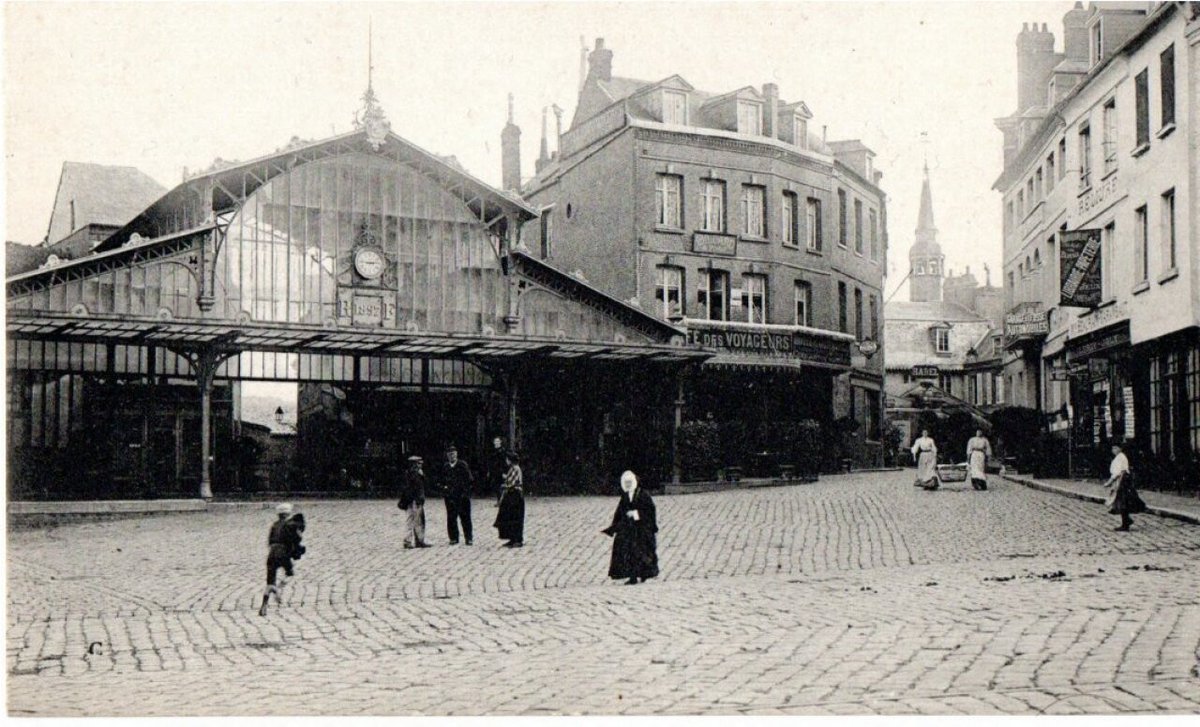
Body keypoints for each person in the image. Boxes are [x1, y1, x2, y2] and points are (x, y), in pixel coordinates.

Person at [601, 471, 659, 585]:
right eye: (626, 483)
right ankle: (632, 576)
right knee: (628, 552)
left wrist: (637, 514)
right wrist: (614, 527)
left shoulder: (643, 495)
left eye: (629, 482)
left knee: (642, 552)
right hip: (629, 529)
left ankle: (644, 574)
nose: (628, 485)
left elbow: (650, 511)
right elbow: (619, 512)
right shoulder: (625, 496)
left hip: (642, 529)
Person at [259, 503, 306, 616]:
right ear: (288, 513)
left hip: (272, 553)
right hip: (283, 553)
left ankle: (264, 605)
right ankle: (279, 589)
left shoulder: (274, 525)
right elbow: (296, 539)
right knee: (290, 574)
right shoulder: (290, 525)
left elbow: (270, 541)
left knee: (270, 583)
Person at [438, 443, 475, 545]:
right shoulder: (446, 467)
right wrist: (444, 489)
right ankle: (453, 538)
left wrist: (466, 493)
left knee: (465, 518)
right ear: (447, 455)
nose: (452, 456)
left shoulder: (462, 465)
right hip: (450, 497)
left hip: (462, 496)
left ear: (457, 454)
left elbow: (470, 480)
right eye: (450, 454)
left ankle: (468, 538)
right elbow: (441, 480)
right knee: (451, 518)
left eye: (453, 454)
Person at [1105, 442, 1145, 531]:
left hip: (1123, 481)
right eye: (1112, 448)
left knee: (1123, 502)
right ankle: (1126, 520)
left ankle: (1125, 523)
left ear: (1120, 448)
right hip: (1121, 481)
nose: (1113, 450)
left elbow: (1117, 472)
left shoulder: (1121, 457)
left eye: (1115, 448)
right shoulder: (1118, 457)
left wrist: (1109, 482)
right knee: (1122, 502)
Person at [494, 450, 525, 547]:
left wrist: (504, 484)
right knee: (509, 517)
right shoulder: (512, 469)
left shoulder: (515, 468)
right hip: (510, 495)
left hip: (514, 495)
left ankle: (517, 539)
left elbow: (511, 483)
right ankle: (512, 538)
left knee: (515, 517)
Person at [398, 455, 430, 549]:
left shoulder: (409, 474)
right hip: (415, 501)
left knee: (412, 520)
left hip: (412, 500)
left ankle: (412, 540)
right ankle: (416, 540)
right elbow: (418, 487)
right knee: (416, 521)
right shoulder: (415, 474)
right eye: (419, 463)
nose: (420, 465)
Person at [487, 436, 507, 503]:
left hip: (500, 471)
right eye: (495, 441)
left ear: (500, 442)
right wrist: (489, 471)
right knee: (495, 486)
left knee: (499, 486)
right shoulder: (493, 451)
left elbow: (504, 462)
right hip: (495, 471)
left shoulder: (503, 451)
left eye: (497, 441)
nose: (496, 443)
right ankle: (499, 500)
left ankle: (501, 500)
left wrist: (504, 472)